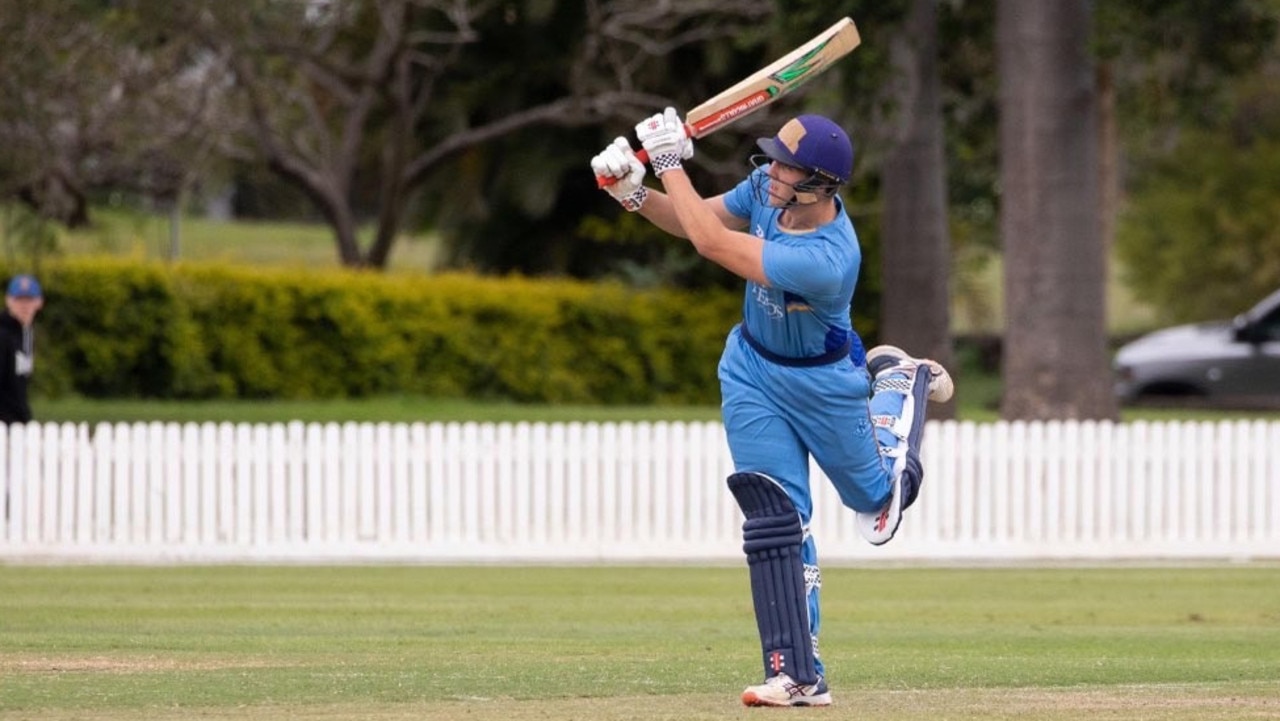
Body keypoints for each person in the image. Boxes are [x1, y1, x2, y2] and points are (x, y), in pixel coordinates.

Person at [591, 110, 954, 707]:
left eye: (788, 166)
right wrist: (631, 192)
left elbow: (712, 246)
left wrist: (666, 161)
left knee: (877, 507)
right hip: (752, 370)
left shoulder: (829, 259)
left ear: (820, 185)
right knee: (776, 518)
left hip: (824, 383)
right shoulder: (765, 188)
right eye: (775, 159)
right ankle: (797, 674)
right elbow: (695, 221)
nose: (772, 172)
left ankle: (899, 380)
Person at [1, 274, 44, 424]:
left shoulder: (26, 333)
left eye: (29, 300)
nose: (24, 306)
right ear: (8, 301)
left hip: (18, 423)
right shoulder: (3, 335)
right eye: (19, 300)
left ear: (39, 302)